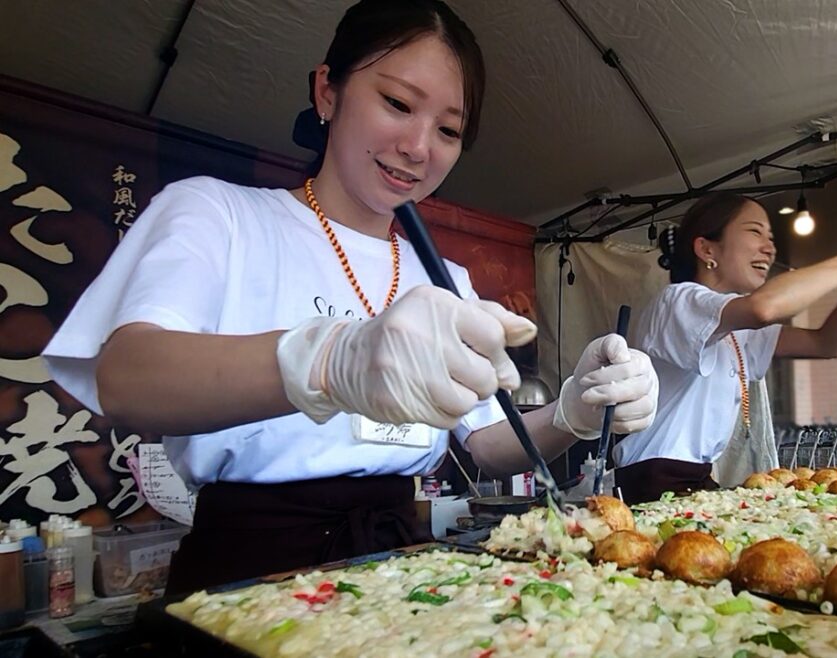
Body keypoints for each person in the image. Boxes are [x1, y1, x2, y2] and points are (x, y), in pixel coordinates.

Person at [41, 0, 658, 594]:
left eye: (449, 129)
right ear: (327, 91)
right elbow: (126, 379)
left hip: (401, 566)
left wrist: (575, 411)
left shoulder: (444, 278)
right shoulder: (216, 212)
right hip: (248, 566)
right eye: (396, 103)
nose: (419, 147)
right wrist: (328, 360)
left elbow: (487, 444)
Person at [612, 192, 837, 504]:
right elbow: (763, 308)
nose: (770, 247)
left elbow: (828, 343)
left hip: (694, 479)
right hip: (652, 483)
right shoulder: (677, 301)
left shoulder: (735, 326)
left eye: (770, 237)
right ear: (706, 248)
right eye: (755, 231)